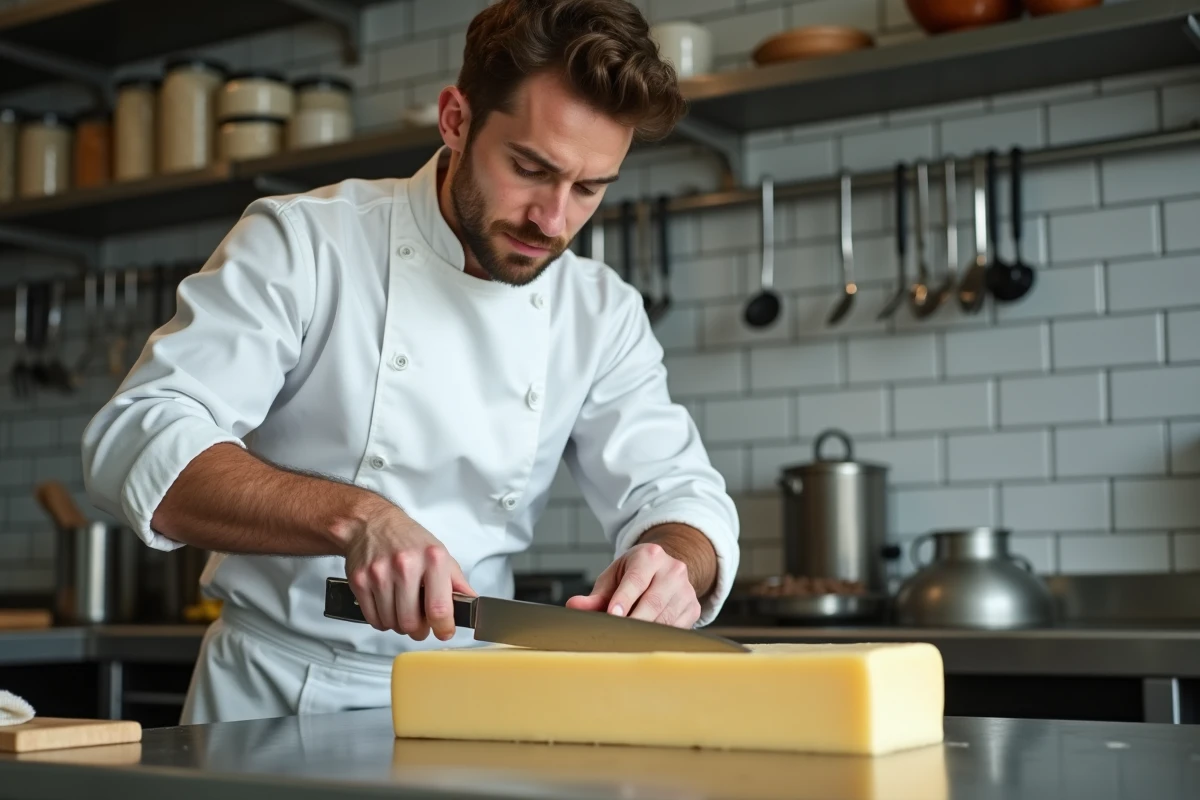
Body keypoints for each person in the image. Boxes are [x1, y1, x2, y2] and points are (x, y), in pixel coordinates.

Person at [81, 0, 740, 725]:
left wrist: (673, 561)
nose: (552, 221)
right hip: (276, 700)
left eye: (588, 189)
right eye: (529, 168)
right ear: (455, 119)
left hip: (476, 704)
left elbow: (679, 495)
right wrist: (356, 517)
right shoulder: (307, 244)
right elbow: (138, 436)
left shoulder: (599, 311)